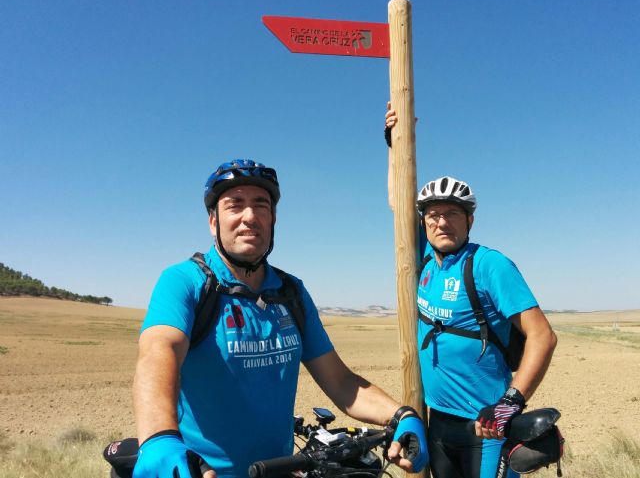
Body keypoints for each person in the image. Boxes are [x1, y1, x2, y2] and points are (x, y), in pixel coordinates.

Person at [132, 158, 429, 478]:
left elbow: (342, 383)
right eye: (235, 205)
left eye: (261, 205)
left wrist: (401, 415)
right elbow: (157, 353)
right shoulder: (185, 282)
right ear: (213, 222)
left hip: (280, 470)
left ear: (273, 218)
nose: (249, 217)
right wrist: (159, 438)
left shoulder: (291, 293)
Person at [385, 109, 557, 478]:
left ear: (470, 220)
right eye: (433, 214)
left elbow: (543, 335)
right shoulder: (424, 259)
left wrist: (510, 405)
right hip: (437, 423)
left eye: (452, 213)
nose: (441, 221)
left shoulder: (489, 265)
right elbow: (399, 204)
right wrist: (395, 144)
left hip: (487, 426)